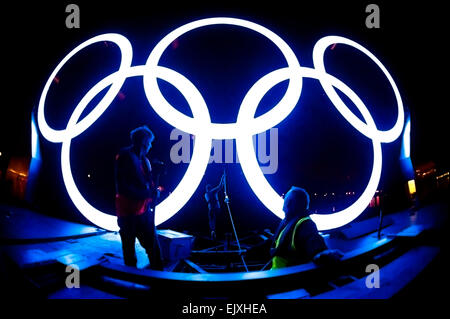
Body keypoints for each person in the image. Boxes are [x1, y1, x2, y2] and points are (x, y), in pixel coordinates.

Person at [114, 125, 163, 270]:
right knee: (130, 253)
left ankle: (160, 283)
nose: (151, 145)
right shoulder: (124, 156)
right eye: (150, 142)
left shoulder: (145, 161)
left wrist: (155, 191)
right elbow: (122, 188)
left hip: (143, 212)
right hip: (128, 213)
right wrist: (147, 194)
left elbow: (148, 185)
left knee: (154, 249)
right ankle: (133, 285)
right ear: (144, 142)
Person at [270, 186, 342, 269]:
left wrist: (321, 253)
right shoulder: (287, 221)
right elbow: (274, 241)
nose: (286, 203)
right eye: (286, 199)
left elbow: (312, 239)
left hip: (286, 277)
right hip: (276, 274)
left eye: (289, 201)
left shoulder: (305, 224)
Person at [204, 173, 225, 240]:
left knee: (211, 221)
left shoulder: (206, 194)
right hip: (216, 208)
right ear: (211, 188)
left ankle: (213, 231)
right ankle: (218, 234)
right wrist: (222, 178)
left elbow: (220, 186)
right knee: (217, 221)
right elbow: (220, 186)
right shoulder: (212, 191)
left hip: (210, 209)